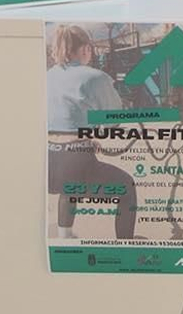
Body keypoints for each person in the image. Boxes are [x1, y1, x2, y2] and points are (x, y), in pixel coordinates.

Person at [45, 24, 137, 240]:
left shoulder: (49, 75)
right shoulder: (96, 77)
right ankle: (126, 247)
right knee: (127, 187)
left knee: (69, 187)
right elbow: (113, 122)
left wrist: (86, 136)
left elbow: (61, 119)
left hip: (48, 161)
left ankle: (64, 238)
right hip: (74, 161)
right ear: (86, 48)